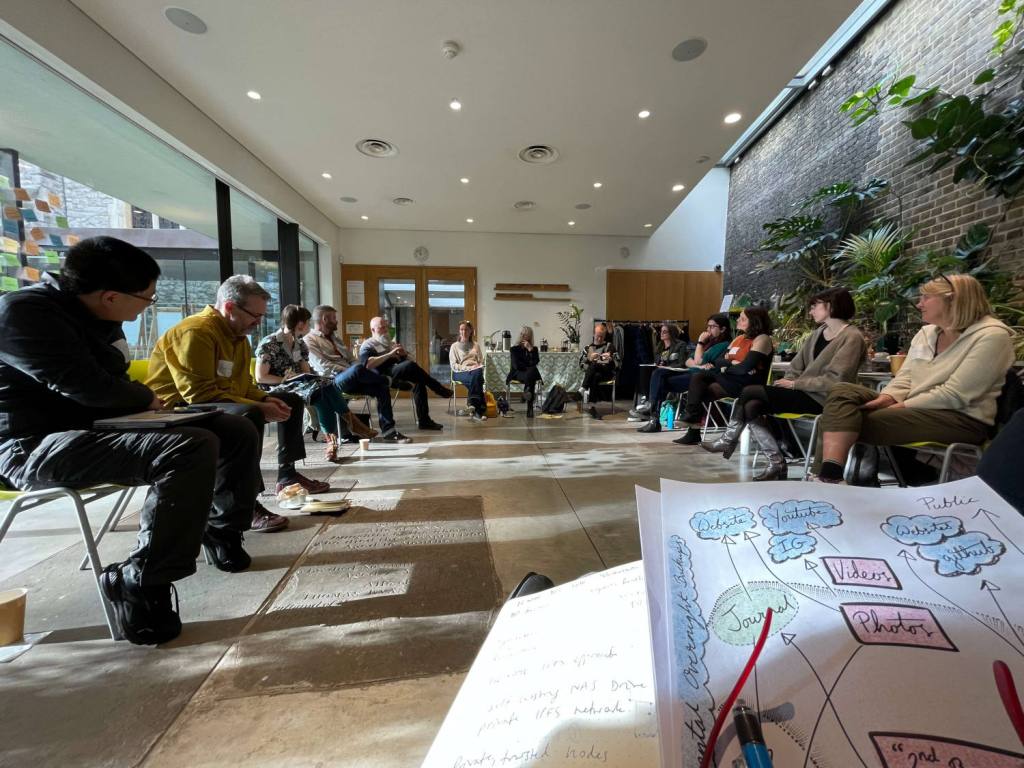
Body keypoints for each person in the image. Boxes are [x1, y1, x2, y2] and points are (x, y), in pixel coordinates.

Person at [0, 237, 262, 645]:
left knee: (234, 428)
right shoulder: (22, 314)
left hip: (103, 430)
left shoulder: (99, 319)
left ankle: (222, 529)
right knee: (188, 446)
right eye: (148, 299)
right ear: (109, 296)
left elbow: (112, 388)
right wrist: (146, 399)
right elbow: (88, 387)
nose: (148, 306)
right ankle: (141, 578)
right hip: (34, 448)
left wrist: (142, 404)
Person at [147, 275, 330, 533]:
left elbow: (243, 386)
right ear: (230, 307)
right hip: (175, 409)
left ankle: (286, 474)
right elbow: (199, 394)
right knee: (248, 414)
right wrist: (259, 405)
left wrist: (267, 398)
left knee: (289, 399)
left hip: (214, 402)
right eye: (254, 315)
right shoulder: (196, 332)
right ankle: (245, 502)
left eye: (261, 316)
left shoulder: (238, 338)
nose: (258, 322)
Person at [815, 274, 1014, 483]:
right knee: (843, 391)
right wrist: (888, 397)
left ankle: (827, 480)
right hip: (915, 408)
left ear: (952, 299)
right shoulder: (927, 333)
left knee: (843, 421)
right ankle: (831, 477)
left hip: (960, 417)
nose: (919, 304)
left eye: (926, 297)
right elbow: (906, 376)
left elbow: (955, 394)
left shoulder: (992, 336)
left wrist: (901, 406)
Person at [702, 287, 866, 480]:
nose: (811, 311)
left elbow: (836, 380)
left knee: (750, 391)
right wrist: (789, 381)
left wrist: (795, 384)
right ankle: (776, 463)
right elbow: (796, 367)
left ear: (831, 306)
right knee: (753, 405)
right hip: (803, 392)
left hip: (826, 399)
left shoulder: (852, 337)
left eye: (815, 306)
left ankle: (729, 439)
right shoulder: (818, 333)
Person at [256, 305, 376, 462]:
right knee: (321, 391)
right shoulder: (269, 343)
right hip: (277, 387)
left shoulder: (300, 344)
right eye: (307, 322)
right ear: (300, 324)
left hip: (299, 385)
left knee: (323, 387)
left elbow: (306, 372)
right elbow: (261, 377)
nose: (309, 325)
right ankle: (348, 427)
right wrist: (287, 379)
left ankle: (334, 441)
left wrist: (304, 377)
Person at [303, 305, 411, 444]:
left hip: (353, 378)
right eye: (334, 318)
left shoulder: (336, 339)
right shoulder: (309, 340)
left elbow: (352, 359)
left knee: (380, 388)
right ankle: (390, 381)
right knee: (358, 369)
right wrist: (349, 370)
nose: (337, 321)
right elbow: (323, 366)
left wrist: (354, 370)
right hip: (331, 382)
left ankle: (389, 432)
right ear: (324, 319)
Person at [673, 307, 775, 445]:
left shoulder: (762, 339)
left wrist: (726, 367)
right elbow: (719, 361)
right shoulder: (739, 338)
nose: (738, 320)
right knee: (699, 381)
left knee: (700, 382)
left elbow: (744, 368)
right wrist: (732, 362)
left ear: (754, 322)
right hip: (731, 379)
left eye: (742, 318)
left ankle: (693, 422)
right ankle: (693, 423)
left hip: (748, 384)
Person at [633, 314, 732, 433]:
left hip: (701, 380)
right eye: (708, 326)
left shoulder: (723, 345)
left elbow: (697, 359)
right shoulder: (708, 343)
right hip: (692, 373)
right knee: (658, 374)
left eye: (712, 327)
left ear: (723, 329)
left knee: (659, 381)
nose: (708, 330)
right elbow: (688, 361)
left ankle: (653, 415)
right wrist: (699, 365)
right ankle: (653, 416)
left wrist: (700, 344)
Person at [360, 316, 453, 430]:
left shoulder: (390, 343)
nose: (385, 330)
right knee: (410, 366)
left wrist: (404, 354)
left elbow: (412, 361)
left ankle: (424, 421)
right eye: (382, 328)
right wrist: (390, 354)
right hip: (381, 376)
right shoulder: (368, 344)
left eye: (386, 327)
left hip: (397, 374)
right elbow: (367, 364)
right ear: (373, 330)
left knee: (419, 381)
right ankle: (438, 388)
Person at [449, 320, 488, 421]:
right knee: (478, 379)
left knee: (477, 375)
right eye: (461, 329)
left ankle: (473, 407)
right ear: (459, 331)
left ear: (471, 331)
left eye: (466, 329)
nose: (464, 332)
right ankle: (479, 409)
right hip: (460, 372)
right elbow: (454, 365)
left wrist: (478, 365)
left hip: (475, 371)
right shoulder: (454, 346)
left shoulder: (476, 345)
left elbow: (481, 361)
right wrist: (468, 368)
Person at [581, 322, 617, 419]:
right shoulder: (587, 348)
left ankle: (582, 389)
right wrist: (589, 359)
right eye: (598, 336)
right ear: (594, 334)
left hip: (606, 372)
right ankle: (592, 407)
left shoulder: (609, 346)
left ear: (605, 335)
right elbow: (581, 365)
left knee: (594, 365)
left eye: (602, 336)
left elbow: (618, 362)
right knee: (595, 373)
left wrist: (610, 358)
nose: (600, 339)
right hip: (595, 375)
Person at [508, 326, 543, 418]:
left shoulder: (534, 349)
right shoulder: (514, 349)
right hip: (518, 373)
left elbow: (535, 361)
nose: (525, 336)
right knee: (532, 371)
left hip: (529, 375)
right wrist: (529, 366)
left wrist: (530, 350)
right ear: (521, 335)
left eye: (527, 335)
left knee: (531, 374)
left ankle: (526, 394)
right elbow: (516, 365)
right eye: (523, 334)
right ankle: (530, 408)